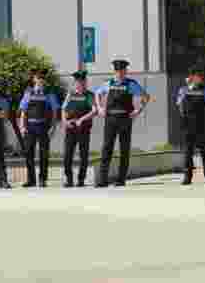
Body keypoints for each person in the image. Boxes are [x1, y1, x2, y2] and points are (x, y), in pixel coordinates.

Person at [94, 59, 148, 187]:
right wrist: (100, 107)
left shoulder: (131, 84)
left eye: (123, 71)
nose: (120, 73)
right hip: (110, 118)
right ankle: (102, 180)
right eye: (118, 71)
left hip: (125, 119)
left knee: (124, 149)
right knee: (107, 148)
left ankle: (121, 179)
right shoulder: (108, 83)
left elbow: (145, 97)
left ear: (126, 71)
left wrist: (138, 110)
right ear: (115, 72)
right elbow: (97, 93)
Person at [19, 69, 61, 188]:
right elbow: (23, 110)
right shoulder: (28, 92)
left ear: (44, 80)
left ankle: (42, 179)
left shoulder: (49, 93)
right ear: (34, 79)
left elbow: (54, 112)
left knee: (44, 154)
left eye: (42, 79)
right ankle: (31, 179)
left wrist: (53, 128)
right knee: (28, 154)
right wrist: (22, 126)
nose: (40, 81)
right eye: (38, 78)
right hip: (30, 127)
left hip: (43, 127)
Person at [176, 67, 205, 185]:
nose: (201, 78)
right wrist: (188, 89)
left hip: (201, 123)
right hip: (188, 124)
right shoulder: (183, 89)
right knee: (188, 152)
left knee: (204, 151)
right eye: (198, 76)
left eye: (201, 76)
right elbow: (179, 103)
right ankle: (187, 177)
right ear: (192, 77)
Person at [61, 70, 97, 187]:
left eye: (82, 82)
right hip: (70, 129)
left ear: (85, 82)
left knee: (83, 155)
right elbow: (64, 109)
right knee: (67, 155)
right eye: (78, 82)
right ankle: (69, 179)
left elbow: (94, 110)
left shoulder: (89, 95)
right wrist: (64, 121)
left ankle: (81, 179)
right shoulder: (70, 94)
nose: (80, 84)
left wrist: (82, 119)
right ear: (75, 83)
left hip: (83, 129)